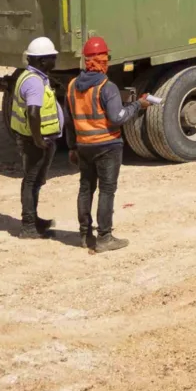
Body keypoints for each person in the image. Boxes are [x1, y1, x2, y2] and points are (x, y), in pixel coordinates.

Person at [64, 36, 154, 253]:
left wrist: (72, 147)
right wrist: (137, 105)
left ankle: (85, 235)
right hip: (107, 146)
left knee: (86, 188)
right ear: (103, 59)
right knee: (106, 190)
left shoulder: (72, 86)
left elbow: (69, 121)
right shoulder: (107, 87)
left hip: (84, 145)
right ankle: (104, 237)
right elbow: (117, 117)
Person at [4, 36, 65, 237]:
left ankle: (33, 219)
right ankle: (29, 225)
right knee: (31, 180)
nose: (55, 61)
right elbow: (33, 112)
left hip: (30, 137)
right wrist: (39, 140)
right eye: (52, 58)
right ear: (41, 61)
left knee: (35, 180)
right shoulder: (34, 83)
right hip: (35, 140)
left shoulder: (28, 76)